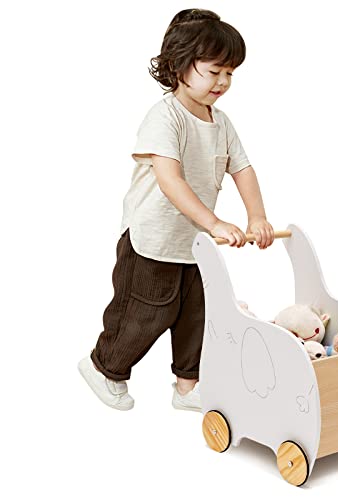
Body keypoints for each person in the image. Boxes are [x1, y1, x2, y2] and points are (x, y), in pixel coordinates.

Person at [78, 8, 275, 412]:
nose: (223, 82)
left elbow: (243, 169)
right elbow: (170, 180)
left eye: (230, 73)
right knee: (144, 313)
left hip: (193, 244)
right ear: (180, 64)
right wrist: (214, 222)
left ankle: (188, 385)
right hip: (152, 241)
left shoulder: (221, 122)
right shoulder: (164, 117)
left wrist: (256, 216)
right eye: (214, 71)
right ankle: (104, 367)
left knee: (197, 314)